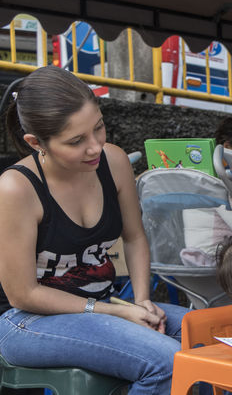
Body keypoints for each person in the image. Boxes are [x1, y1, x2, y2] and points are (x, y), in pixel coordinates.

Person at [0, 66, 189, 394]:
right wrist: (114, 311)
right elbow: (23, 293)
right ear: (36, 142)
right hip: (26, 321)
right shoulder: (16, 188)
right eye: (76, 141)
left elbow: (134, 236)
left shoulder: (113, 162)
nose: (94, 147)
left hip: (106, 303)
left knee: (212, 341)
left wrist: (141, 302)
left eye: (98, 128)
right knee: (170, 361)